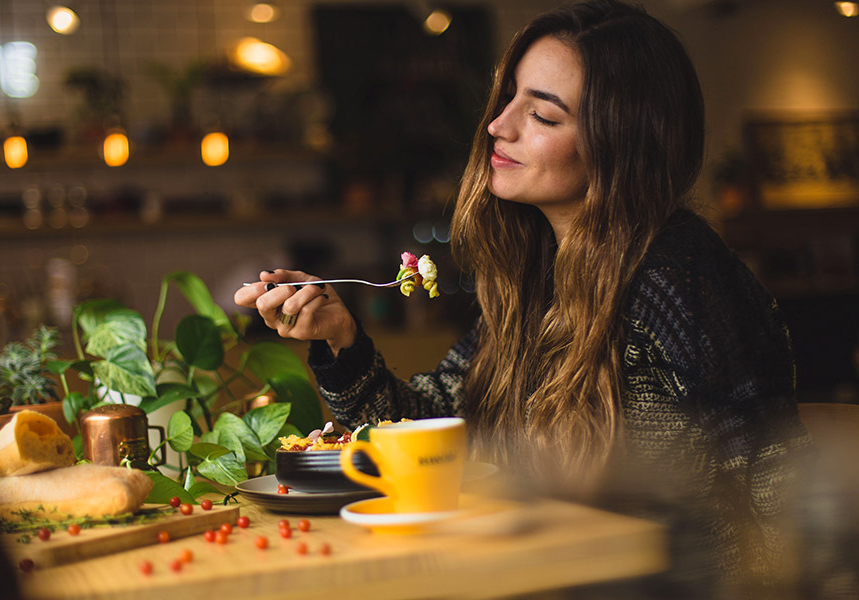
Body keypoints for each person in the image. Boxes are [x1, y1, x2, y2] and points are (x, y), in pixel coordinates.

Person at [235, 0, 817, 593]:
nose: (498, 124)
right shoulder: (538, 278)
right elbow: (431, 435)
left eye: (541, 114)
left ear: (620, 144)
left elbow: (772, 480)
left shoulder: (678, 275)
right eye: (509, 96)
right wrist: (342, 340)